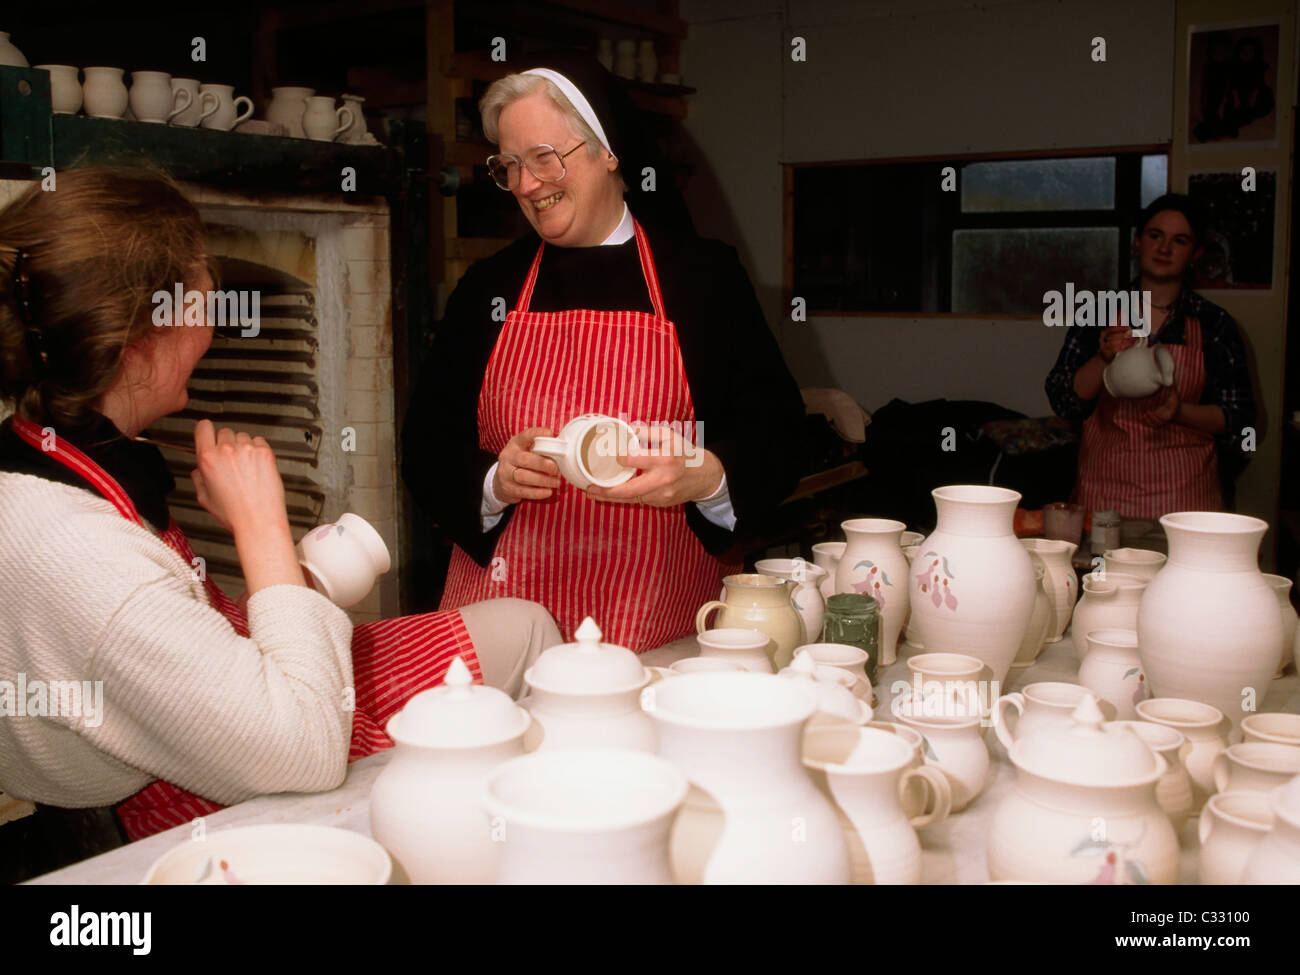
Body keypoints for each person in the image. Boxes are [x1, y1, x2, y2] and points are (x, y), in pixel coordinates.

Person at [0, 167, 560, 874]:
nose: (213, 304)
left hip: (181, 726)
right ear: (139, 337)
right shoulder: (87, 562)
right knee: (530, 633)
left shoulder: (45, 454)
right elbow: (303, 748)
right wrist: (262, 526)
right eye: (199, 284)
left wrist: (294, 583)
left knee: (523, 622)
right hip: (172, 795)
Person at [402, 52, 805, 652]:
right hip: (503, 629)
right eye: (509, 166)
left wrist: (705, 477)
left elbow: (780, 433)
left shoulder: (702, 277)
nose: (526, 185)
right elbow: (424, 443)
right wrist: (492, 481)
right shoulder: (488, 288)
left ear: (608, 150)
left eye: (543, 158)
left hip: (656, 626)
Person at [1044, 193, 1256, 517]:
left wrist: (1178, 412)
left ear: (1195, 253)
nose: (1165, 248)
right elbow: (1063, 399)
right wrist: (1102, 359)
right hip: (1104, 503)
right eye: (1155, 236)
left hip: (1186, 505)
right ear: (1137, 242)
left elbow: (1238, 419)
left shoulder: (1214, 323)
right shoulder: (1099, 313)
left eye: (1179, 240)